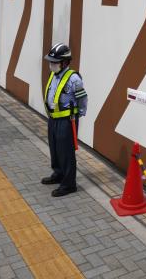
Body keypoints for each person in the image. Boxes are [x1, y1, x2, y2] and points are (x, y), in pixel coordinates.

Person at [41, 42, 88, 197]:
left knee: (66, 152)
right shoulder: (54, 76)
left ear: (65, 62)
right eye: (50, 62)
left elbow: (82, 98)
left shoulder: (74, 79)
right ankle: (58, 173)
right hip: (53, 119)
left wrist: (78, 114)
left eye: (55, 62)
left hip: (67, 121)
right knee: (54, 149)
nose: (51, 65)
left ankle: (69, 184)